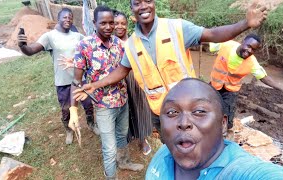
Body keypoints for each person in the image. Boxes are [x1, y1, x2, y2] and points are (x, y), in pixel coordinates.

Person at [72, 0, 268, 141]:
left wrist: (245, 24)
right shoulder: (130, 44)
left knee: (197, 146)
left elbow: (213, 34)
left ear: (154, 3)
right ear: (132, 9)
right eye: (137, 3)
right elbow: (121, 71)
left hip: (190, 109)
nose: (143, 6)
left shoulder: (176, 28)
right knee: (173, 149)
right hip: (162, 113)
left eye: (147, 1)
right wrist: (94, 84)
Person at [146, 78, 283, 179]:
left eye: (199, 111)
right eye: (172, 112)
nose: (184, 122)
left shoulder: (241, 171)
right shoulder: (163, 155)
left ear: (223, 124)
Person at [69, 6, 143, 179]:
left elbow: (127, 68)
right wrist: (73, 110)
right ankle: (111, 177)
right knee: (109, 148)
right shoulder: (85, 46)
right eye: (103, 23)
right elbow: (76, 81)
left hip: (122, 100)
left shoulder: (119, 44)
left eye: (111, 23)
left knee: (122, 135)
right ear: (94, 23)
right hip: (103, 106)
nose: (109, 27)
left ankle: (124, 162)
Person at [17, 8, 97, 145]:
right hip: (63, 81)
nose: (68, 19)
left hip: (80, 79)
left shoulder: (77, 36)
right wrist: (22, 46)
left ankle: (91, 124)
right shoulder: (49, 37)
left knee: (88, 104)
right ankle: (68, 130)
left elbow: (92, 45)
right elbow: (30, 51)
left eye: (70, 17)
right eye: (65, 17)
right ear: (58, 19)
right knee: (66, 109)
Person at [209, 34, 283, 129]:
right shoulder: (226, 45)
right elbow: (207, 41)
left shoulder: (252, 62)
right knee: (206, 113)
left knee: (226, 124)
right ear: (243, 41)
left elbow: (265, 78)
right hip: (213, 86)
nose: (249, 51)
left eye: (253, 49)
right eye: (248, 46)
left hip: (230, 92)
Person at [113, 10, 152, 155]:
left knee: (140, 108)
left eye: (123, 23)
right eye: (116, 23)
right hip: (118, 81)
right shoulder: (110, 44)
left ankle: (142, 139)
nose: (119, 26)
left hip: (135, 80)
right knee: (124, 110)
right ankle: (127, 136)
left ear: (127, 25)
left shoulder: (135, 40)